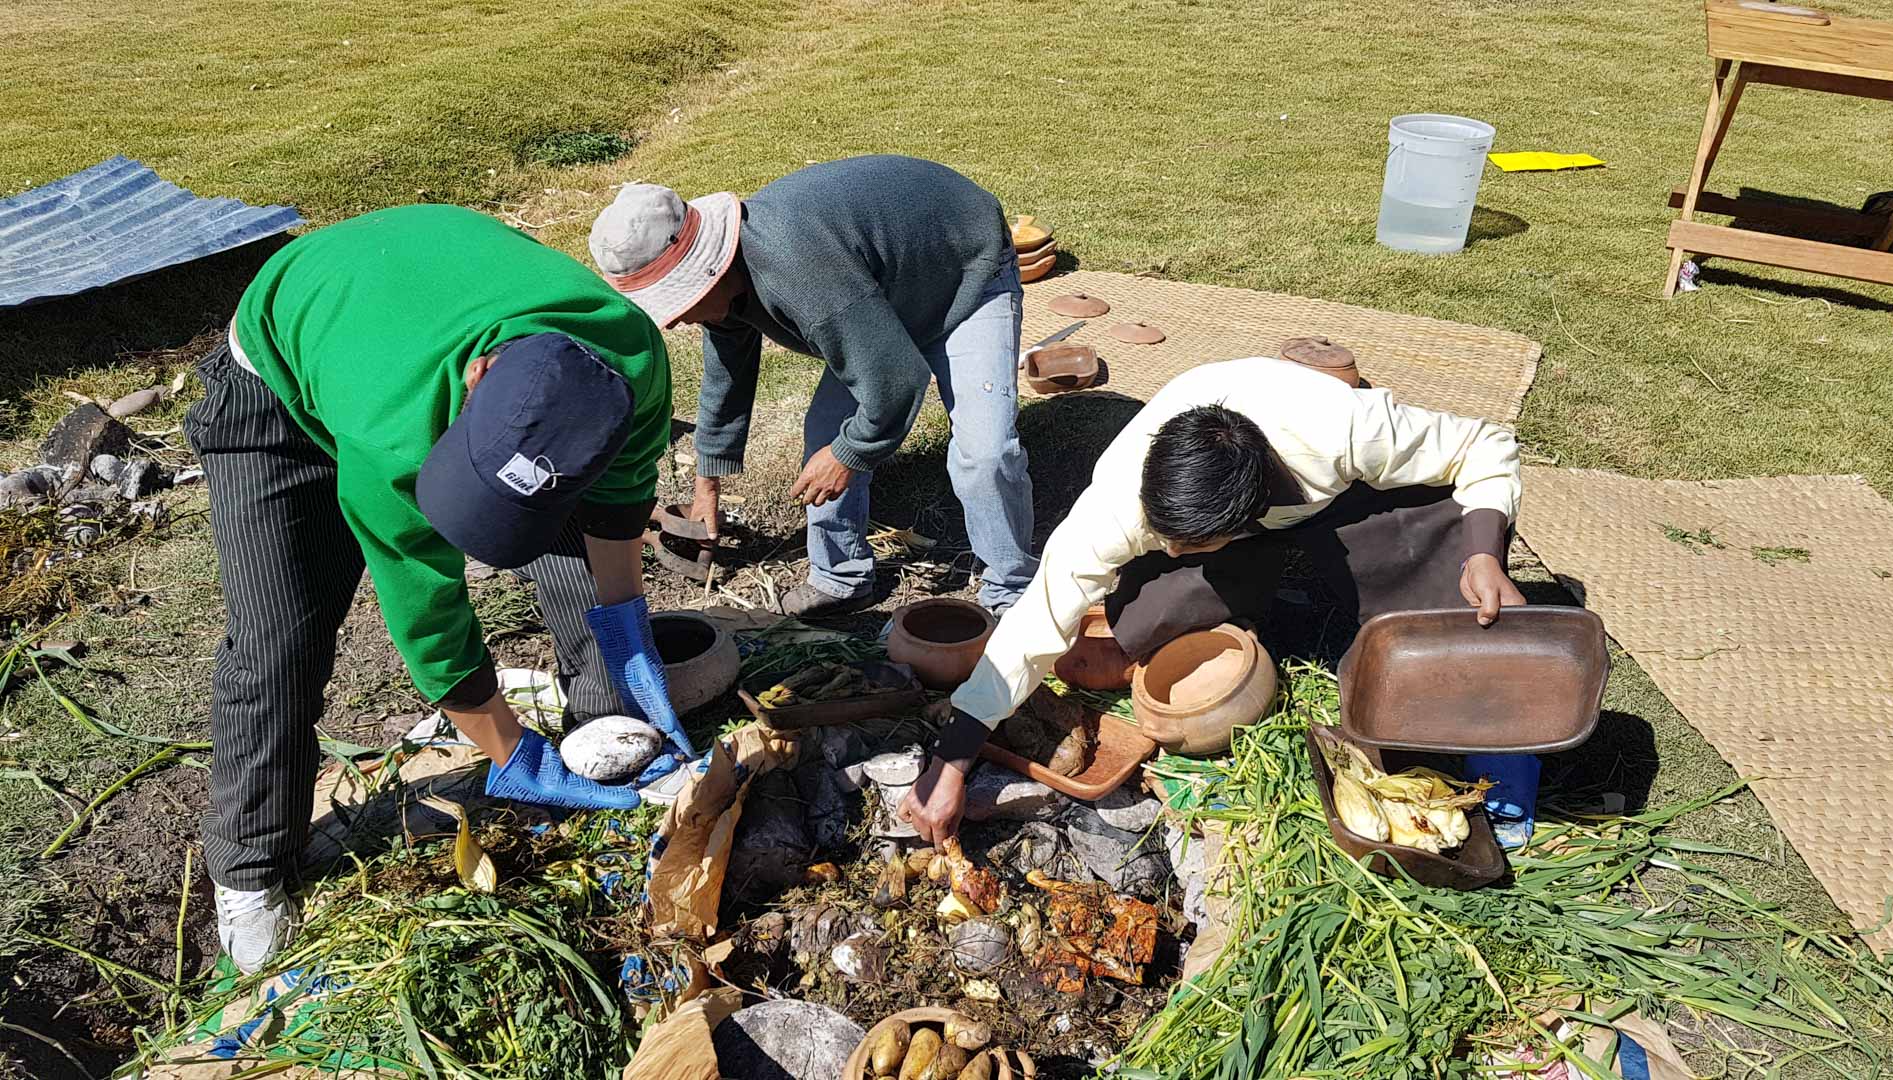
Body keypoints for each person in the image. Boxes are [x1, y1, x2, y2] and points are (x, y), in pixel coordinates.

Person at [189, 204, 691, 974]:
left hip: (412, 301)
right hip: (281, 372)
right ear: (477, 376)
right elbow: (429, 620)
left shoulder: (627, 362)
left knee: (570, 537)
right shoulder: (393, 438)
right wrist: (510, 753)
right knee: (279, 639)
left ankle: (608, 727)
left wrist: (628, 634)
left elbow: (617, 499)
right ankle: (249, 871)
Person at [899, 356, 1527, 843]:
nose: (1171, 551)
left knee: (1434, 560)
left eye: (1186, 544)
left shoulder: (1343, 429)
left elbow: (1484, 444)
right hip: (1230, 521)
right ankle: (1248, 597)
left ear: (1243, 517)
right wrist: (952, 761)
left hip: (1337, 499)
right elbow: (1036, 619)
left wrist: (1481, 552)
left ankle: (1458, 682)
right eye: (1164, 538)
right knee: (1142, 617)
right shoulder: (1119, 500)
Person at [586, 155, 1038, 617]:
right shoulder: (729, 284)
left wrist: (849, 454)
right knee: (824, 434)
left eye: (676, 302)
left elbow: (899, 380)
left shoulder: (798, 273)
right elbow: (727, 377)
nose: (673, 320)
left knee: (984, 455)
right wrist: (708, 482)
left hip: (965, 268)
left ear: (710, 270)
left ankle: (1012, 590)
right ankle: (841, 578)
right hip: (878, 288)